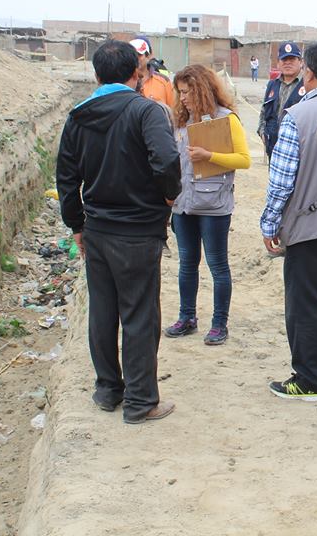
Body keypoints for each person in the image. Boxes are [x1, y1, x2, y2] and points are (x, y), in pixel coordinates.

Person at [56, 39, 180, 424]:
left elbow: (66, 178)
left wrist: (77, 224)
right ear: (136, 73)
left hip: (97, 229)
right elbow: (167, 160)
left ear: (96, 75)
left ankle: (108, 390)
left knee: (103, 311)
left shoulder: (78, 116)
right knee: (140, 315)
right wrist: (169, 196)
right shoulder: (146, 111)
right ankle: (141, 402)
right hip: (139, 230)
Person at [260, 40, 317, 401]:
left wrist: (270, 224)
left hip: (307, 226)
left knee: (306, 304)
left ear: (309, 72)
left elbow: (282, 180)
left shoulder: (298, 116)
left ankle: (309, 379)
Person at [163, 65, 251, 345]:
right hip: (183, 205)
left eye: (187, 92)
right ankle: (187, 317)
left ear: (201, 90)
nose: (182, 98)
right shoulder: (179, 121)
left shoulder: (226, 119)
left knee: (217, 265)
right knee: (187, 264)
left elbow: (244, 160)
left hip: (214, 206)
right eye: (179, 92)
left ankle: (219, 324)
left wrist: (209, 155)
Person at [259, 42, 305, 158]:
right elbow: (264, 111)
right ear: (278, 63)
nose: (287, 63)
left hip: (297, 148)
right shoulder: (272, 84)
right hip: (273, 146)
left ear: (301, 62)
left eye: (292, 59)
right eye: (284, 59)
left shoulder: (307, 84)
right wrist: (263, 132)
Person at [129, 37, 174, 108]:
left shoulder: (163, 81)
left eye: (139, 54)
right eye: (132, 55)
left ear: (149, 55)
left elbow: (172, 110)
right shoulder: (123, 81)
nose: (135, 58)